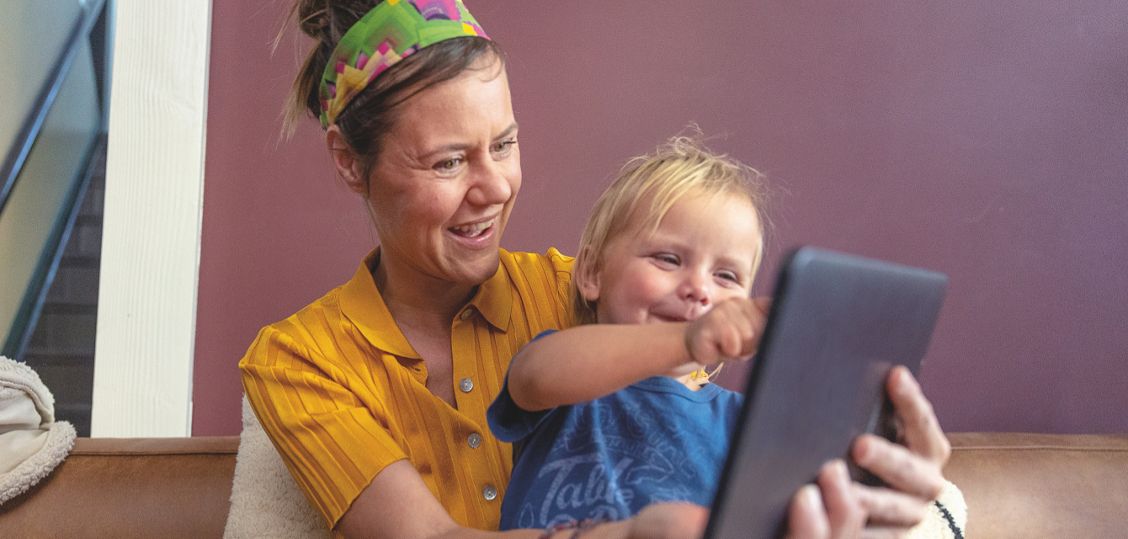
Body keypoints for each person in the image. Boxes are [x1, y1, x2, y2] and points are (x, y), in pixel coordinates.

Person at [240, 1, 954, 537]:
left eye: (505, 144)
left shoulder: (619, 292)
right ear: (348, 160)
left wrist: (880, 466)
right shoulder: (297, 361)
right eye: (449, 161)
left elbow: (720, 400)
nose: (494, 188)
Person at [487, 137, 964, 536]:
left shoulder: (745, 420)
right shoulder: (564, 373)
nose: (698, 289)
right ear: (590, 272)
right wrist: (688, 340)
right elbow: (532, 377)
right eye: (668, 259)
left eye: (727, 277)